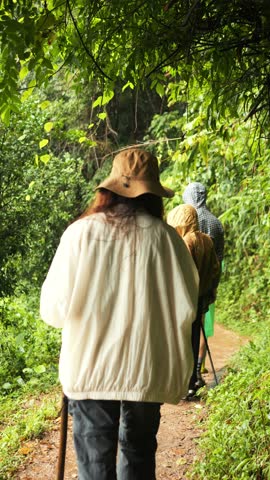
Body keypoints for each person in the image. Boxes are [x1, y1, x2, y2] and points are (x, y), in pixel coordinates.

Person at [40, 148, 199, 480]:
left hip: (90, 369)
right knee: (139, 458)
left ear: (109, 189)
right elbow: (187, 308)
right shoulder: (168, 240)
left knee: (95, 467)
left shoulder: (79, 234)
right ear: (153, 194)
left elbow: (53, 310)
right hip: (147, 369)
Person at [167, 204, 220, 398]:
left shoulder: (186, 241)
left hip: (185, 299)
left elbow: (183, 272)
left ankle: (182, 383)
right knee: (193, 336)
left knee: (180, 340)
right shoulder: (207, 240)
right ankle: (191, 381)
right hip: (200, 298)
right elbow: (215, 269)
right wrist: (210, 290)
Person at [182, 182, 224, 374]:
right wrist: (214, 283)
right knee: (203, 322)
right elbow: (219, 256)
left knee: (187, 325)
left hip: (190, 279)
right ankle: (200, 366)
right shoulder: (216, 222)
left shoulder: (187, 218)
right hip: (209, 278)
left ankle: (190, 370)